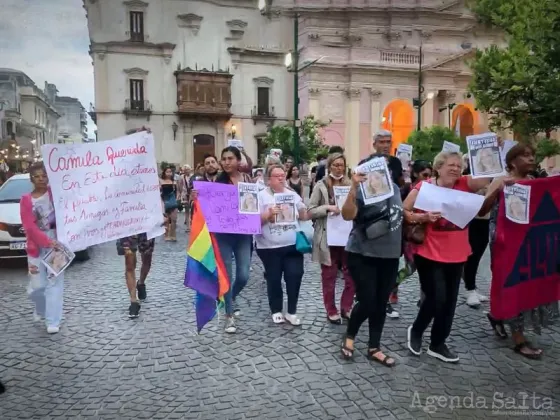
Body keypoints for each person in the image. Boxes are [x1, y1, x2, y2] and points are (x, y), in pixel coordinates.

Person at [404, 151, 490, 363]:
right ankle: (416, 330)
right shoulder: (424, 187)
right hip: (429, 252)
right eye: (450, 165)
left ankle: (438, 343)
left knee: (449, 302)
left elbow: (487, 177)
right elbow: (404, 211)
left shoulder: (464, 183)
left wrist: (488, 153)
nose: (455, 169)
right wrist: (423, 217)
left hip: (458, 253)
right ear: (438, 167)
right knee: (436, 297)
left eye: (458, 166)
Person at [482, 144, 559, 359]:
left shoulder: (536, 183)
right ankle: (518, 339)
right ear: (512, 161)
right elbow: (482, 210)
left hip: (529, 244)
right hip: (505, 243)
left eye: (533, 155)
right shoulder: (500, 180)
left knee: (526, 284)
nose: (531, 159)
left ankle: (498, 316)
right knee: (511, 284)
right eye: (525, 155)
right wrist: (497, 191)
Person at [339, 154, 404, 367]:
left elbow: (399, 213)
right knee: (368, 300)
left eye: (384, 168)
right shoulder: (362, 190)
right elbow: (347, 215)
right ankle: (350, 336)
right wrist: (353, 188)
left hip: (390, 254)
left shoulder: (394, 188)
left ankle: (374, 347)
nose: (380, 173)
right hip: (362, 253)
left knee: (380, 302)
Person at [193, 147, 253, 333]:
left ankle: (230, 297)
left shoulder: (248, 180)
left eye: (230, 158)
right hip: (223, 235)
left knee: (243, 275)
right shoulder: (217, 183)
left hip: (243, 233)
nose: (226, 162)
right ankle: (229, 316)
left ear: (238, 160)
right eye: (224, 159)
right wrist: (196, 198)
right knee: (226, 274)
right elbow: (206, 207)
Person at [117, 127, 162, 318]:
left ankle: (141, 281)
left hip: (146, 221)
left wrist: (160, 214)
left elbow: (155, 191)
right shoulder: (117, 169)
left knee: (147, 258)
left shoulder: (149, 167)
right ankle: (133, 301)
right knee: (129, 260)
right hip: (126, 222)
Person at [256, 164, 309, 326]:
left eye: (282, 175)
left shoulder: (292, 194)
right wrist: (268, 215)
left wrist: (303, 211)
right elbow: (252, 221)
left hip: (292, 244)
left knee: (295, 275)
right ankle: (276, 309)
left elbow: (304, 215)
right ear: (268, 180)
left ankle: (291, 311)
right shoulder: (261, 196)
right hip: (269, 247)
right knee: (274, 278)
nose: (281, 178)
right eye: (276, 175)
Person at [308, 152, 355, 324]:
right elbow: (310, 210)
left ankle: (346, 306)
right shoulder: (321, 185)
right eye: (335, 165)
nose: (338, 168)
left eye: (341, 165)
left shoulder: (351, 185)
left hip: (347, 236)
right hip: (328, 236)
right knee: (329, 275)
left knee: (351, 274)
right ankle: (331, 309)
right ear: (329, 167)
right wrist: (327, 208)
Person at [20, 162, 64, 334]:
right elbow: (29, 227)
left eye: (44, 175)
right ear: (31, 179)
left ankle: (53, 321)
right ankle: (40, 307)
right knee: (38, 286)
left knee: (55, 283)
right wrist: (46, 241)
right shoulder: (26, 200)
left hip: (57, 247)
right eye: (37, 176)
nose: (41, 179)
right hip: (36, 248)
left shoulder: (56, 194)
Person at [393, 160, 433, 305]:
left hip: (426, 234)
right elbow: (399, 210)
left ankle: (425, 299)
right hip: (408, 235)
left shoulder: (433, 188)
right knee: (410, 268)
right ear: (416, 174)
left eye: (431, 175)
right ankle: (393, 285)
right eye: (425, 175)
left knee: (427, 269)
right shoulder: (406, 189)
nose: (428, 178)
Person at [461, 154, 490, 308]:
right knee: (471, 255)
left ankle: (472, 286)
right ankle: (469, 288)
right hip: (472, 220)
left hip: (485, 220)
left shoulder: (491, 177)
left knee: (478, 255)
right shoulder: (469, 177)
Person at [160, 166, 179, 241]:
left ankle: (173, 235)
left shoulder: (174, 182)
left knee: (174, 219)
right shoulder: (161, 182)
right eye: (167, 172)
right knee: (166, 220)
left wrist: (177, 198)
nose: (169, 173)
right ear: (164, 173)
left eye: (170, 172)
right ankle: (166, 235)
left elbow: (177, 191)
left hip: (173, 202)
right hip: (164, 201)